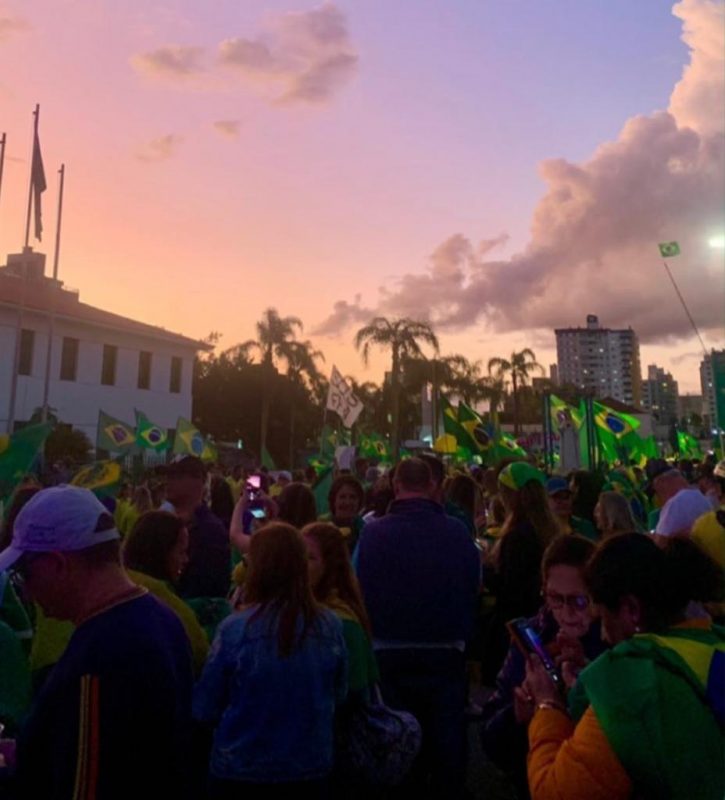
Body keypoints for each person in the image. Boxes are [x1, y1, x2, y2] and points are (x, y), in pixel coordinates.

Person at [0, 486, 194, 798]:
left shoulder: (101, 654)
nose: (25, 589)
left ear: (57, 565)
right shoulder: (161, 617)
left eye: (25, 572)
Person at [523, 533, 725, 800]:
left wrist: (547, 705)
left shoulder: (627, 686)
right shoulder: (713, 644)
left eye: (604, 617)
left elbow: (552, 791)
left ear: (631, 609)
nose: (605, 635)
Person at [193, 523, 347, 798]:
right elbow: (339, 692)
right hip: (310, 769)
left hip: (240, 770)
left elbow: (205, 707)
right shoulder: (331, 626)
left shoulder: (234, 630)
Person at [357, 458, 480, 798]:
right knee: (447, 742)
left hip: (387, 652)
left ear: (396, 486)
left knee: (397, 740)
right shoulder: (457, 533)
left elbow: (357, 587)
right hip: (445, 650)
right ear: (431, 486)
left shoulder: (372, 533)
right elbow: (475, 583)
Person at [480, 535, 606, 800]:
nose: (566, 612)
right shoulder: (530, 640)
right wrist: (516, 713)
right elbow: (490, 738)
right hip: (536, 778)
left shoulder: (615, 642)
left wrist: (590, 677)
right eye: (555, 599)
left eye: (579, 601)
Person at [482, 462, 560, 682]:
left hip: (514, 628)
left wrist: (485, 569)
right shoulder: (549, 530)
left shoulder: (517, 536)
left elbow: (509, 587)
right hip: (540, 621)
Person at [123, 510, 210, 675]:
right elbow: (201, 657)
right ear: (161, 552)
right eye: (181, 552)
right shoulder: (171, 608)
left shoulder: (118, 587)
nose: (186, 560)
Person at [303, 522, 378, 700]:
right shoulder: (294, 611)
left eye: (310, 558)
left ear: (330, 567)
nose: (300, 564)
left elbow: (356, 695)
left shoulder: (345, 624)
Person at [163, 456, 230, 599]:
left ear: (198, 481)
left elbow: (206, 593)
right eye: (168, 476)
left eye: (176, 476)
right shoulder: (165, 523)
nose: (168, 481)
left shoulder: (210, 531)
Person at [322, 475, 366, 551]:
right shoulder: (321, 528)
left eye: (353, 497)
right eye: (342, 497)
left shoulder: (366, 531)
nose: (347, 502)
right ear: (333, 500)